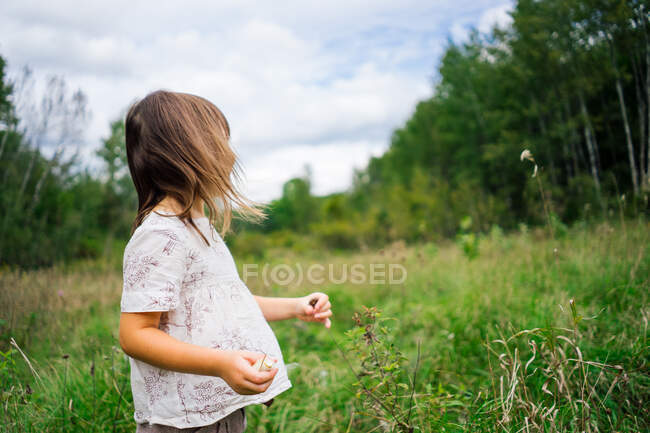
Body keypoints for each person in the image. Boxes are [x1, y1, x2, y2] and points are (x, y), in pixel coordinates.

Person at [118, 90, 333, 432]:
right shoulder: (161, 235)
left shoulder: (198, 230)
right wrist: (221, 364)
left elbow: (225, 303)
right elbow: (135, 335)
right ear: (187, 152)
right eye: (220, 142)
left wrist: (296, 306)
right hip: (183, 421)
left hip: (219, 406)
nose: (231, 155)